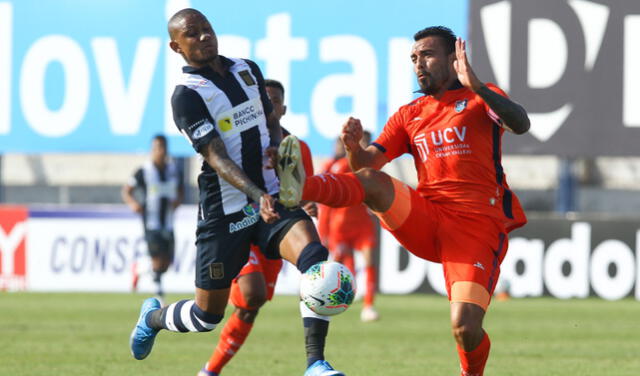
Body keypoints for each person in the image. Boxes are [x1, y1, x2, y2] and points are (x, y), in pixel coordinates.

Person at [277, 26, 529, 376]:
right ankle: (301, 186)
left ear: (454, 58)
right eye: (414, 58)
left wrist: (478, 87)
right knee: (375, 182)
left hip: (475, 227)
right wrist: (354, 149)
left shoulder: (479, 99)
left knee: (465, 328)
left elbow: (521, 123)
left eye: (427, 55)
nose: (418, 64)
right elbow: (366, 166)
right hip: (427, 217)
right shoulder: (410, 114)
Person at [129, 9, 345, 376]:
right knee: (206, 316)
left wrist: (283, 158)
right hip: (224, 209)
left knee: (316, 260)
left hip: (272, 198)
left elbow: (269, 126)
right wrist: (253, 192)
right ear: (175, 46)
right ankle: (152, 317)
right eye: (192, 34)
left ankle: (316, 363)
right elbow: (215, 155)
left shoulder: (247, 69)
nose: (203, 37)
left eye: (207, 30)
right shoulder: (187, 96)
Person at [198, 79, 318, 376]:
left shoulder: (297, 147)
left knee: (251, 306)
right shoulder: (236, 140)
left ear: (283, 108)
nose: (268, 106)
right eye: (262, 100)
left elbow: (304, 191)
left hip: (276, 232)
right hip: (240, 225)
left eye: (274, 101)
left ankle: (209, 371)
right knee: (252, 294)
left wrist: (308, 204)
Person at [317, 132, 379, 322]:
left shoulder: (372, 168)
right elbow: (328, 200)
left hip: (362, 225)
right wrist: (323, 231)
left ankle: (369, 306)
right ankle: (325, 300)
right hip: (340, 226)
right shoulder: (341, 166)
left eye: (367, 144)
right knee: (337, 266)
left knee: (369, 262)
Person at [122, 134, 184, 302]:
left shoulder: (174, 170)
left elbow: (180, 189)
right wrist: (133, 204)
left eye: (163, 148)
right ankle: (159, 295)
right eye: (157, 148)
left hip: (169, 221)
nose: (160, 151)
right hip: (151, 221)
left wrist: (178, 201)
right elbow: (127, 190)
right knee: (157, 259)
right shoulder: (144, 171)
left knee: (166, 262)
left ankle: (140, 269)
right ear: (152, 150)